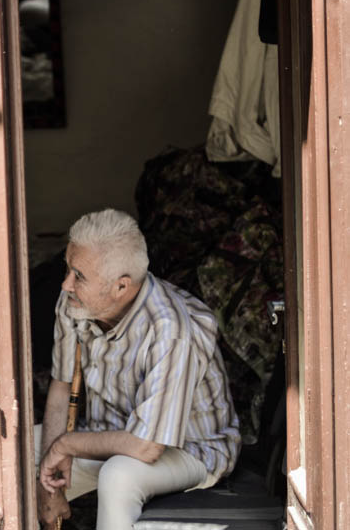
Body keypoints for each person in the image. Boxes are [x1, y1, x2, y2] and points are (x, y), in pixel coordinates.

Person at [37, 208, 241, 529]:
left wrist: (63, 446)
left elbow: (145, 447)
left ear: (121, 287)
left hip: (188, 448)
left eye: (79, 276)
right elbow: (61, 387)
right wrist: (47, 484)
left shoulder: (172, 330)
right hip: (111, 431)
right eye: (68, 269)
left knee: (119, 475)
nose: (65, 284)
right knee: (15, 453)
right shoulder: (75, 302)